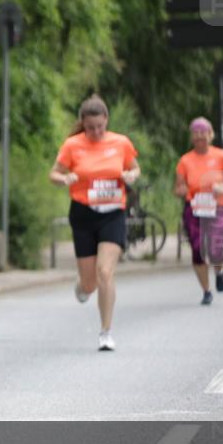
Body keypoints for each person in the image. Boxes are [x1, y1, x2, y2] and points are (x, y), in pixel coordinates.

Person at [49, 94, 140, 351]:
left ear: (106, 120)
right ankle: (82, 286)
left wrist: (130, 174)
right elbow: (54, 173)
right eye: (90, 128)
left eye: (100, 126)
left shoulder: (120, 143)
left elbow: (135, 168)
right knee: (89, 282)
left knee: (105, 272)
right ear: (83, 124)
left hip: (113, 213)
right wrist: (64, 179)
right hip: (83, 213)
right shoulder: (72, 145)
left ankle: (106, 332)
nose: (96, 132)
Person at [174, 116, 223, 304]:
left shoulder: (220, 156)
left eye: (203, 132)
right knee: (197, 249)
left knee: (216, 248)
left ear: (210, 135)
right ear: (191, 137)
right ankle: (206, 291)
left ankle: (219, 272)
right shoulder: (185, 160)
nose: (199, 136)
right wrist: (184, 190)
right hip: (194, 209)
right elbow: (177, 188)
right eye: (195, 133)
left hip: (217, 207)